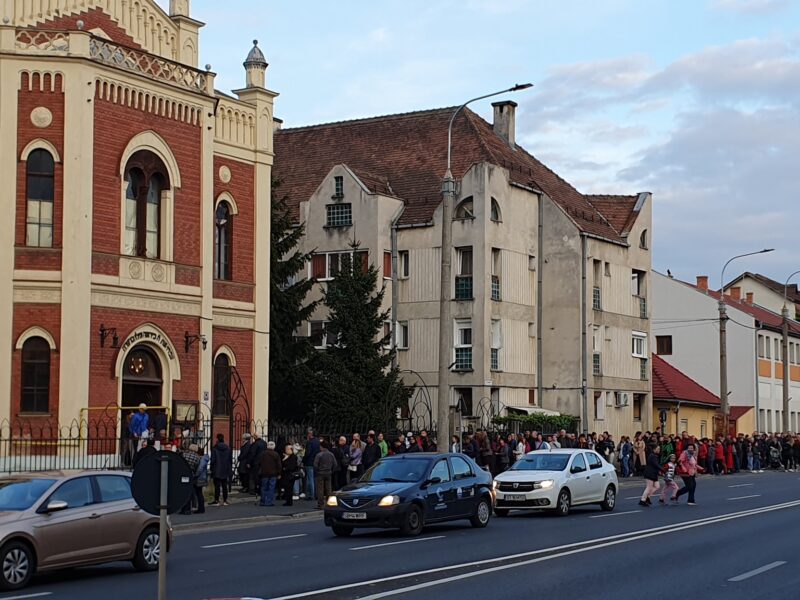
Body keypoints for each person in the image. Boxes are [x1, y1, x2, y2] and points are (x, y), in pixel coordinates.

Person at [209, 433, 232, 506]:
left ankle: (217, 500)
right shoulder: (228, 448)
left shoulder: (215, 448)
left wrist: (211, 468)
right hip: (225, 468)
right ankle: (225, 500)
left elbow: (213, 460)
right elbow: (230, 460)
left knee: (217, 486)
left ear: (217, 439)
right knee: (225, 485)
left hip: (217, 469)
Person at [258, 441, 282, 507]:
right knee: (271, 488)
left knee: (264, 487)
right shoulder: (276, 454)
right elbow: (279, 465)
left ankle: (263, 501)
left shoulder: (262, 454)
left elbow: (259, 463)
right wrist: (279, 473)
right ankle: (268, 502)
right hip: (273, 473)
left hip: (264, 473)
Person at [313, 441, 336, 509]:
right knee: (329, 489)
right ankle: (329, 503)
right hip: (328, 473)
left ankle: (321, 504)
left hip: (320, 473)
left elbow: (315, 464)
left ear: (322, 447)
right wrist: (331, 470)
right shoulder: (331, 454)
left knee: (320, 489)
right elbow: (335, 464)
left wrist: (317, 471)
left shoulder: (319, 455)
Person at [180, 444, 201, 514]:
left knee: (183, 491)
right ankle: (188, 509)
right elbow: (197, 467)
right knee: (189, 492)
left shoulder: (184, 454)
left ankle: (183, 509)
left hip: (183, 473)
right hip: (191, 474)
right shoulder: (197, 457)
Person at [303, 429, 320, 501]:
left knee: (310, 479)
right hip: (316, 461)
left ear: (309, 434)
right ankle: (315, 494)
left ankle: (310, 494)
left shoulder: (309, 442)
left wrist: (304, 460)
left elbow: (307, 453)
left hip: (309, 462)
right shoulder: (317, 441)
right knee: (314, 478)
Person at [194, 446, 209, 514]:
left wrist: (196, 474)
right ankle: (201, 508)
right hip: (202, 477)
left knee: (199, 493)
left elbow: (200, 468)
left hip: (200, 478)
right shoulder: (204, 458)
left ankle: (201, 509)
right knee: (199, 493)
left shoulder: (202, 459)